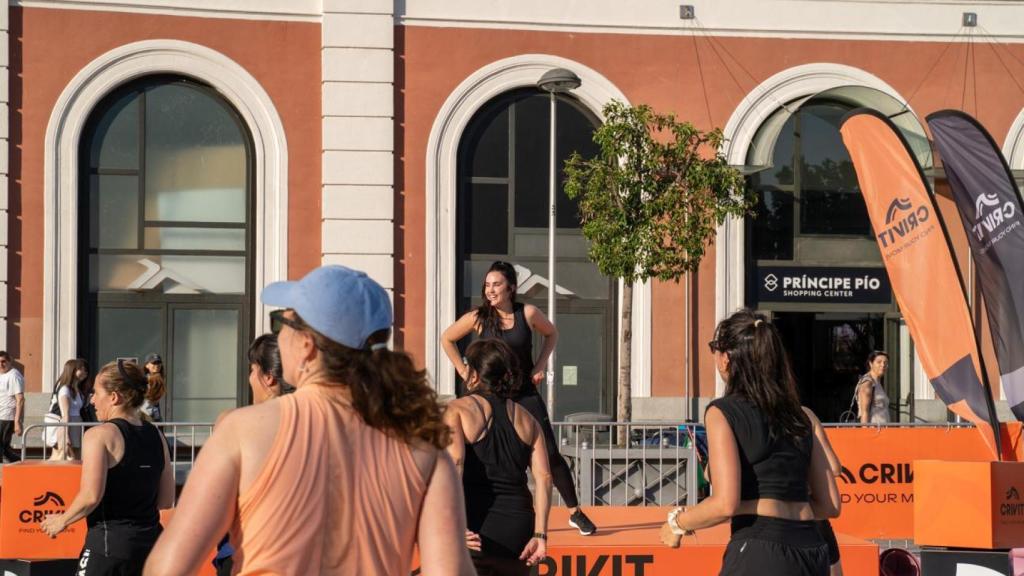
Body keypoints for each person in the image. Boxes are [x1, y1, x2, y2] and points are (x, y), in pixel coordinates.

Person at [144, 265, 475, 575]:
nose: (278, 334)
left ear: (307, 345)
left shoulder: (243, 431)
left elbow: (168, 567)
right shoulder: (425, 450)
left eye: (280, 323)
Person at [659, 310, 840, 576]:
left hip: (761, 549)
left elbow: (725, 504)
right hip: (812, 550)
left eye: (715, 350)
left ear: (726, 359)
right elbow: (830, 505)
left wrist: (678, 522)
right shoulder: (804, 415)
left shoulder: (723, 412)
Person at [441, 260, 597, 536]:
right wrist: (464, 370)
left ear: (511, 287)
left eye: (496, 284)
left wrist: (539, 366)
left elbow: (552, 334)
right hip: (486, 395)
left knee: (548, 452)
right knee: (473, 453)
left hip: (523, 392)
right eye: (487, 285)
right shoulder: (478, 317)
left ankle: (575, 512)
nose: (490, 290)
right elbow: (447, 339)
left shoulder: (528, 313)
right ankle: (468, 513)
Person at [40, 360, 175, 575]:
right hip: (151, 547)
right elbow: (166, 499)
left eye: (95, 393)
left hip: (108, 547)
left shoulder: (99, 435)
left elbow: (91, 496)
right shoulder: (157, 435)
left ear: (114, 397)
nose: (92, 400)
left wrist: (60, 521)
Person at [444, 338, 551, 575]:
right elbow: (544, 478)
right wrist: (541, 535)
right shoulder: (529, 419)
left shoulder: (458, 410)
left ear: (473, 374)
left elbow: (455, 464)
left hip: (474, 527)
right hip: (519, 532)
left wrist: (453, 524)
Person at [211, 333, 292, 575]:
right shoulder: (315, 427)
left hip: (244, 553)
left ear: (267, 378)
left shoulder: (233, 423)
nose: (249, 378)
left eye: (252, 370)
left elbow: (215, 496)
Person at [805, 407, 844, 576]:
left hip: (767, 524)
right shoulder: (805, 414)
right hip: (814, 516)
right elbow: (835, 468)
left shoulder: (741, 417)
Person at [44, 358, 89, 460]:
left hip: (75, 424)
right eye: (81, 369)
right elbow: (65, 414)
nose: (85, 372)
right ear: (72, 370)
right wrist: (66, 434)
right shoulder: (65, 389)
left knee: (73, 455)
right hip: (66, 424)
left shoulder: (76, 389)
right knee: (61, 455)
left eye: (86, 370)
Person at [0, 351, 24, 463]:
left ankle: (18, 465)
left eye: (3, 361)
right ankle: (19, 465)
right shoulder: (2, 375)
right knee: (3, 448)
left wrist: (17, 421)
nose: (1, 364)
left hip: (7, 416)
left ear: (9, 361)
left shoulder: (14, 375)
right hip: (1, 415)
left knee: (3, 448)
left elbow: (20, 399)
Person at [856, 351, 890, 424]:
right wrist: (866, 432)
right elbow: (864, 412)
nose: (883, 365)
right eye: (879, 362)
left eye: (885, 362)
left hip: (883, 429)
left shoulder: (877, 382)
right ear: (871, 364)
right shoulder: (867, 383)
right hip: (874, 430)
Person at [141, 354, 165, 422]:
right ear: (147, 365)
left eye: (158, 363)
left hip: (155, 414)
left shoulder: (159, 378)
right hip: (145, 414)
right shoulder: (143, 380)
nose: (157, 365)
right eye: (154, 363)